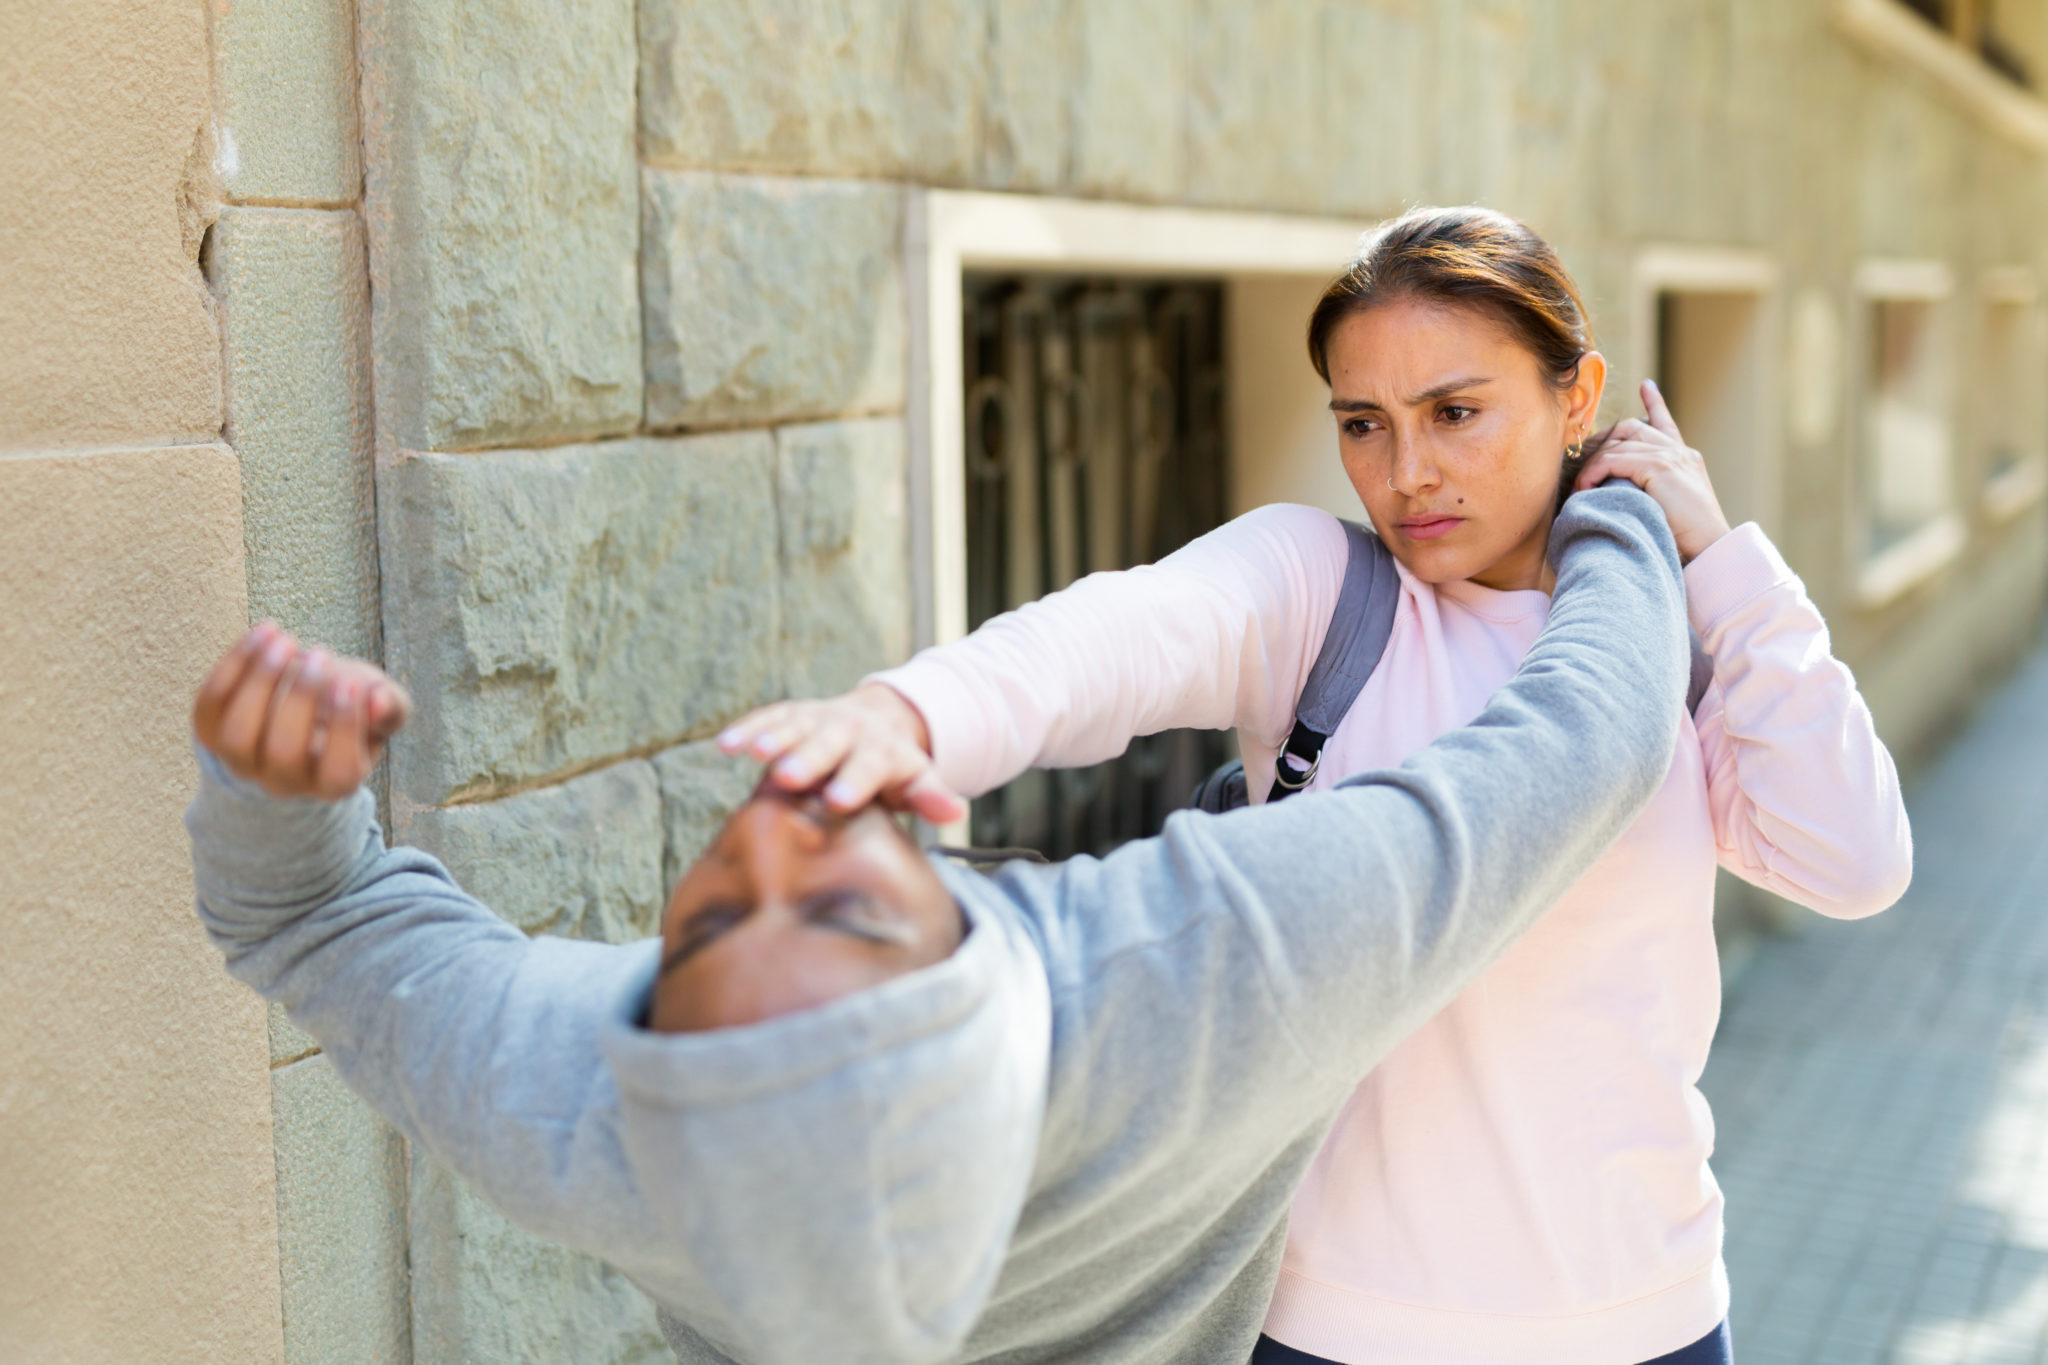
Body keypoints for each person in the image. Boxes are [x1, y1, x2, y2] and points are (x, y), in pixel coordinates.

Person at [721, 208, 1915, 1365]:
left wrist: (1726, 569)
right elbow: (1124, 632)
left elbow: (1850, 861)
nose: (1405, 473)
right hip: (1332, 1329)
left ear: (1576, 399)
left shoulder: (1667, 641)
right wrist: (906, 716)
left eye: (1455, 413)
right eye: (1362, 423)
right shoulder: (1324, 596)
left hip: (1641, 1320)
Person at [190, 484, 1686, 1365]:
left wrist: (280, 796)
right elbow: (1584, 745)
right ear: (970, 964)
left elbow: (312, 916)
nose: (783, 832)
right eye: (844, 906)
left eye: (704, 925)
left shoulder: (589, 1107)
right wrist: (1618, 512)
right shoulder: (1208, 977)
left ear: (640, 1016)